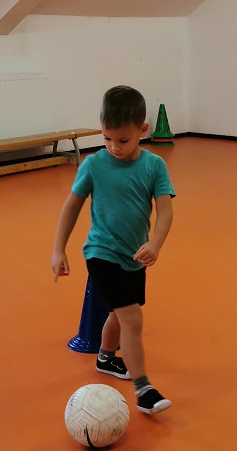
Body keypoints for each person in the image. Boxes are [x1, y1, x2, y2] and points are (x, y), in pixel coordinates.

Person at [51, 85, 176, 414]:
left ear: (143, 130)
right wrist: (58, 249)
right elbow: (72, 206)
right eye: (107, 138)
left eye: (123, 140)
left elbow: (165, 211)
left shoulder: (154, 166)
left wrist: (155, 243)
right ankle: (144, 389)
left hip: (134, 257)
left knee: (117, 315)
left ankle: (106, 358)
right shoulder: (94, 165)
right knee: (132, 319)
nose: (113, 147)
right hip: (101, 253)